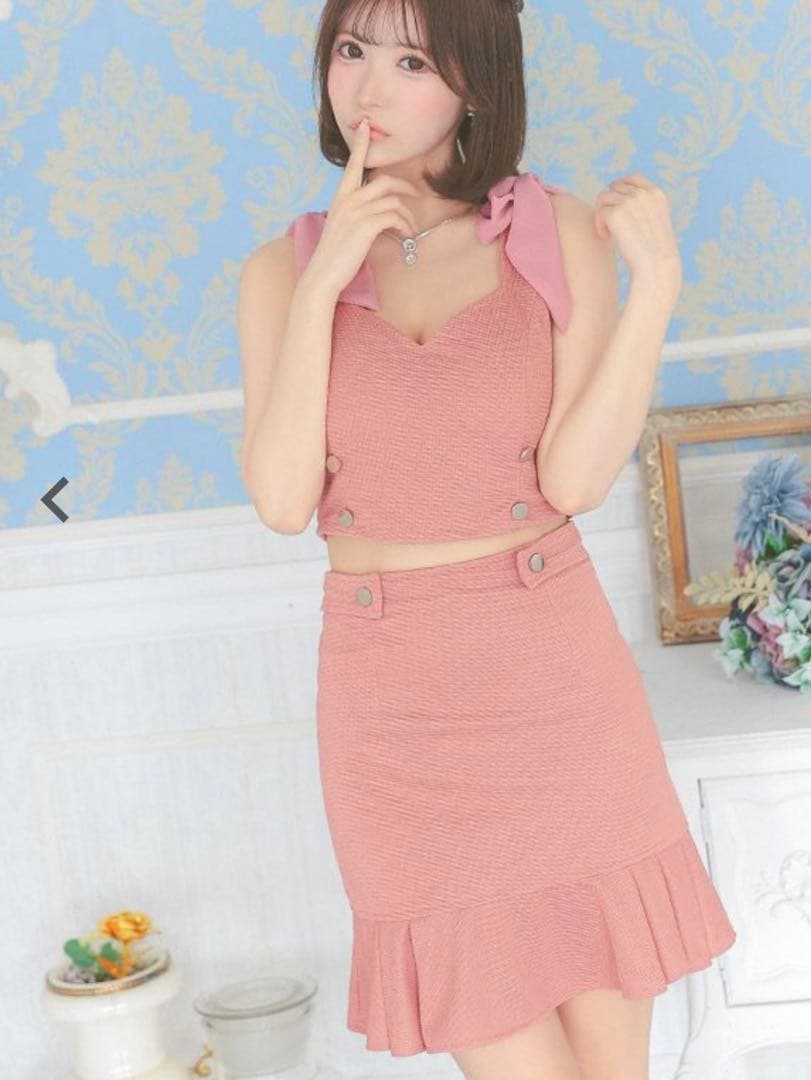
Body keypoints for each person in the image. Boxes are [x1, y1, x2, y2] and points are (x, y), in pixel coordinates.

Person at [238, 1, 737, 1077]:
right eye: (351, 51)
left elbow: (574, 478)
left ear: (475, 84)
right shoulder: (283, 273)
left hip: (554, 678)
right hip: (393, 709)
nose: (369, 87)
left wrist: (656, 290)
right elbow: (283, 499)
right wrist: (325, 284)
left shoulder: (550, 231)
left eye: (412, 61)